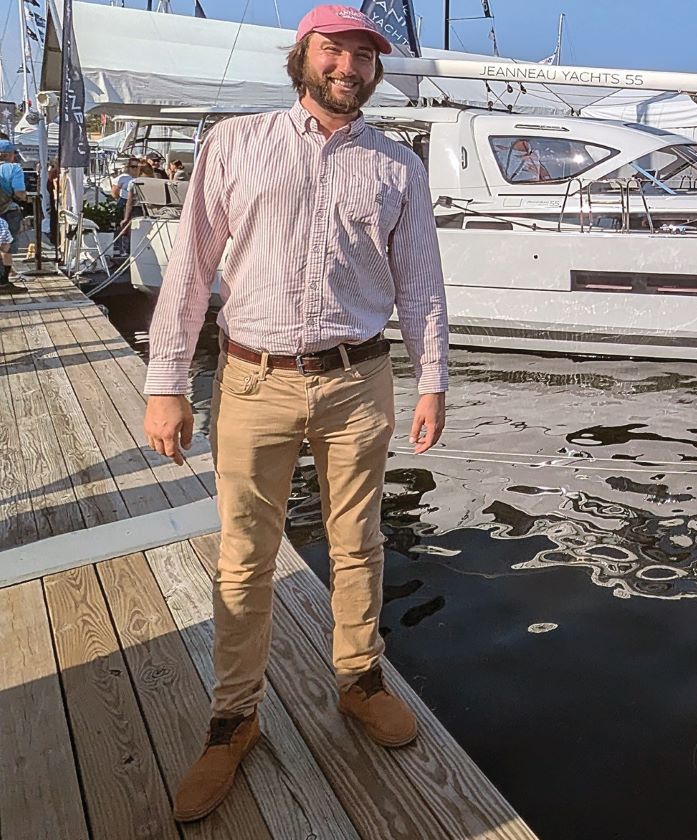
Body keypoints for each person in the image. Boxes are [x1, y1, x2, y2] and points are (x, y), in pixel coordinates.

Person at [143, 5, 448, 823]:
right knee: (244, 558)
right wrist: (166, 382)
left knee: (361, 541)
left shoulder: (396, 168)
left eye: (363, 54)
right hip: (253, 380)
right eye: (335, 49)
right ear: (303, 57)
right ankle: (233, 717)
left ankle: (359, 678)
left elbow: (420, 284)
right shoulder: (235, 144)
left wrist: (432, 381)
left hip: (359, 380)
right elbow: (190, 272)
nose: (350, 64)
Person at [0, 140, 28, 293]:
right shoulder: (14, 169)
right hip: (8, 211)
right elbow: (19, 193)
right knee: (7, 247)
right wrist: (23, 197)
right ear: (9, 155)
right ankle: (4, 282)